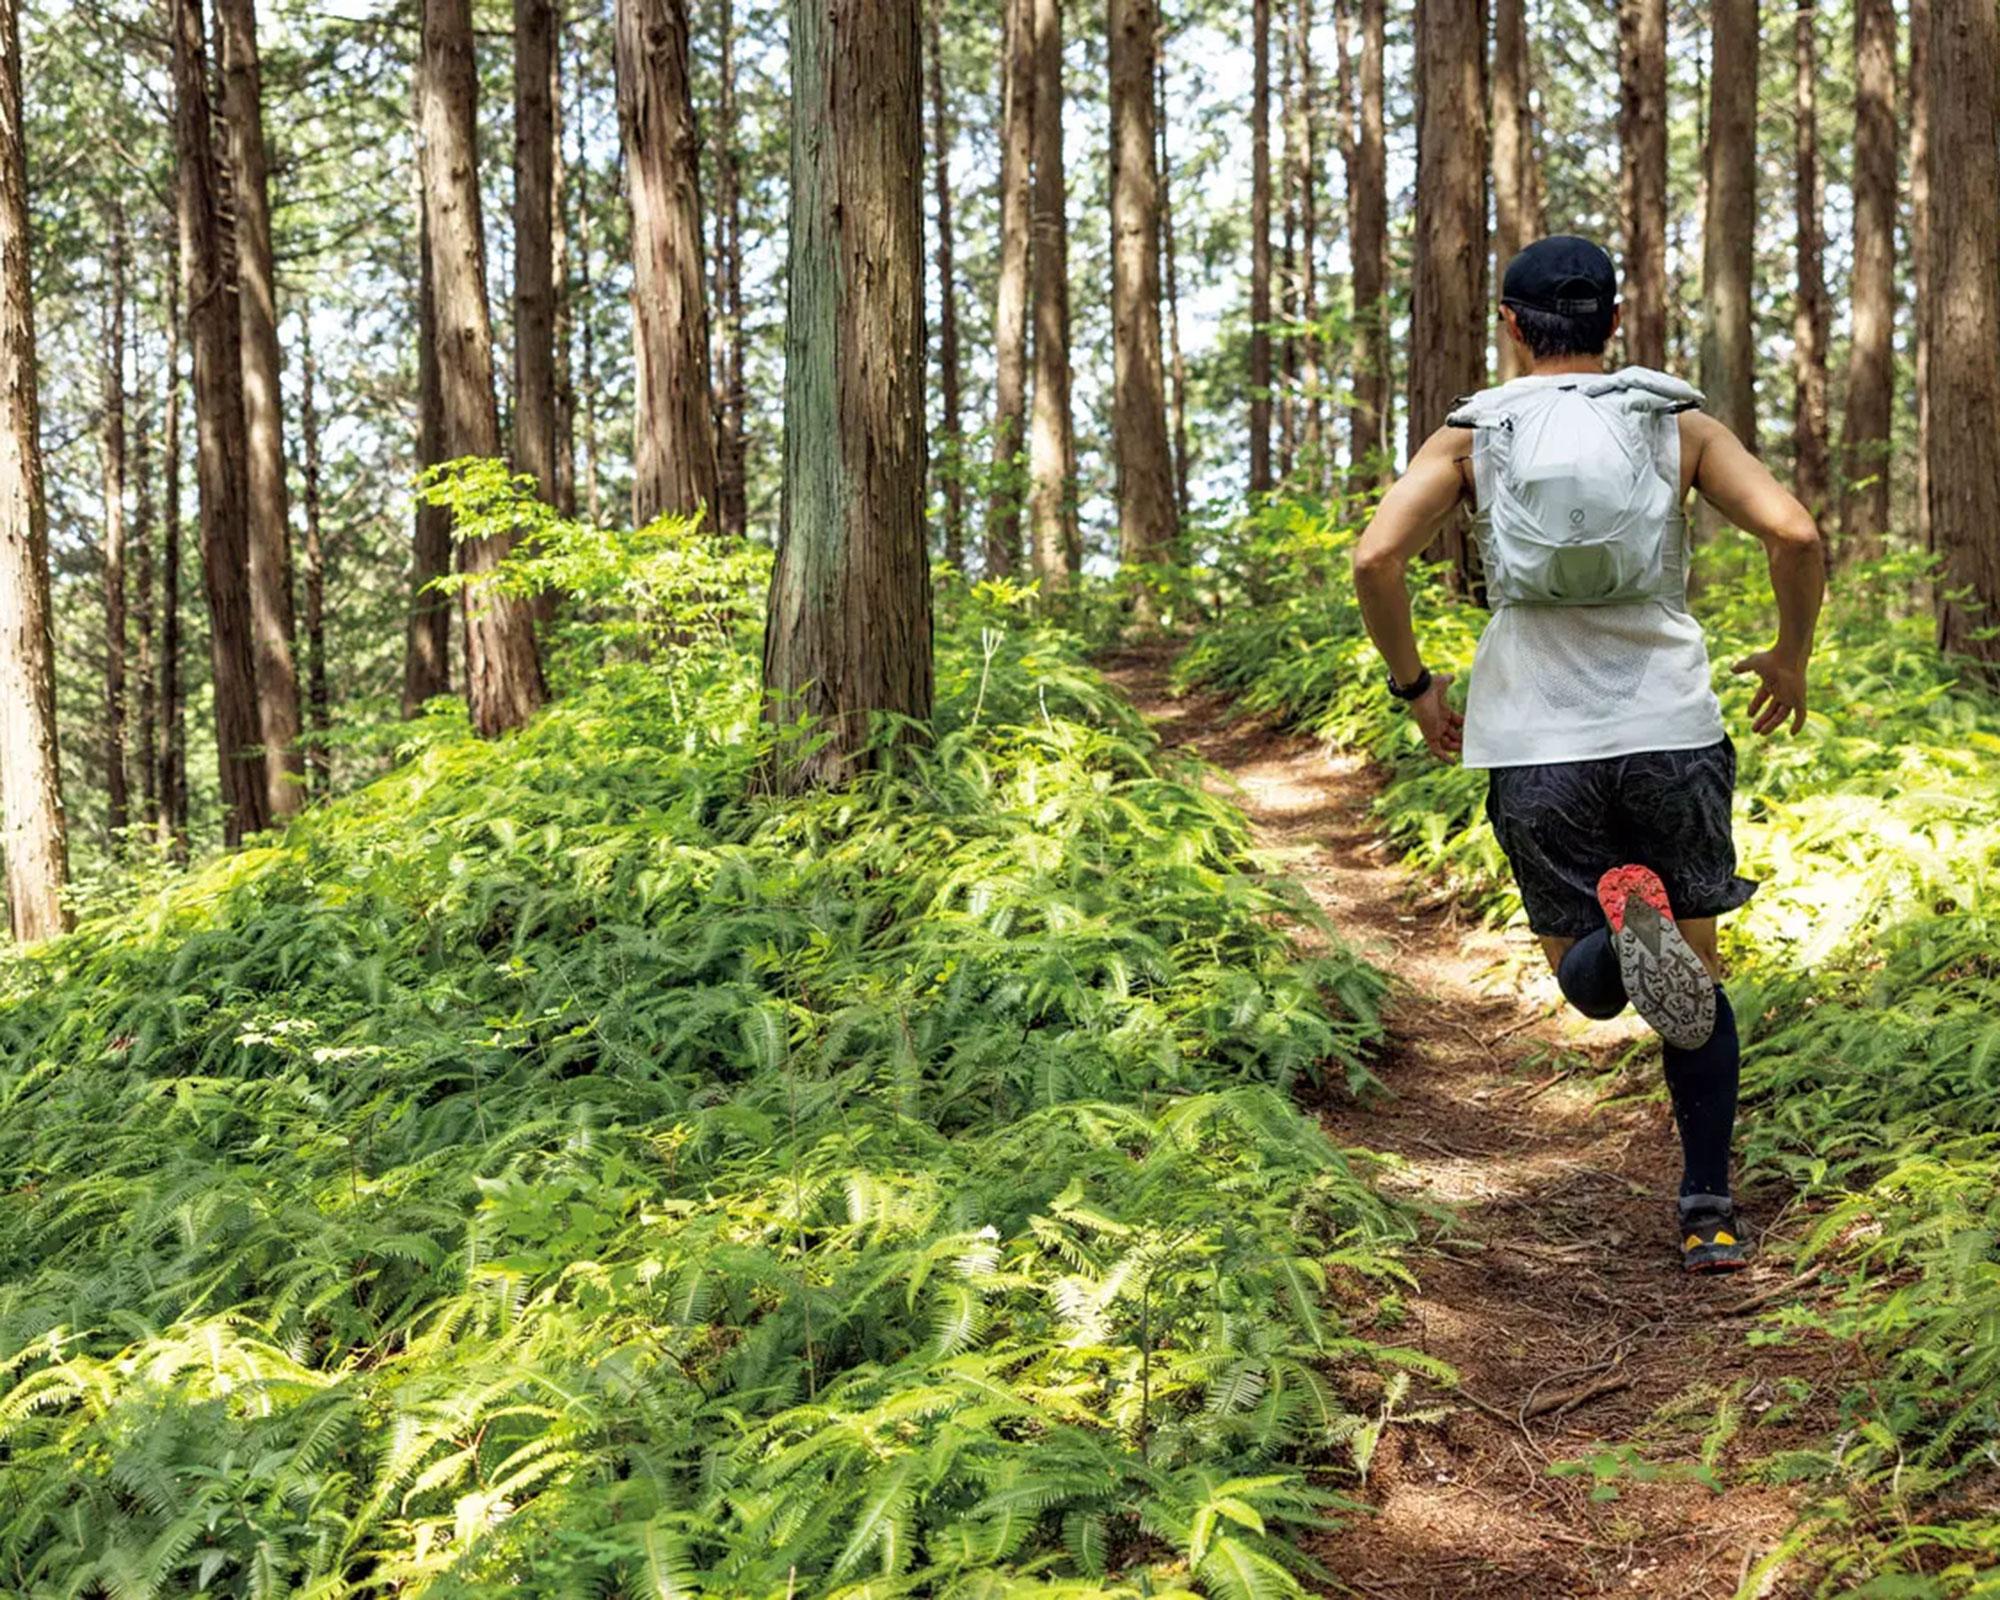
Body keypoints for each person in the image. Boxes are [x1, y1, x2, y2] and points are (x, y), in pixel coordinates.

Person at [1351, 235, 1824, 1273]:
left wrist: (1415, 683)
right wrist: (1788, 657)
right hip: (1669, 727)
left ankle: (1614, 948)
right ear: (1613, 320)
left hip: (1533, 739)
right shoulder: (1672, 419)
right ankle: (1705, 1209)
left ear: (1509, 323)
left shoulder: (1474, 433)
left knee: (1585, 979)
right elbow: (1791, 532)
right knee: (1693, 990)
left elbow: (1375, 556)